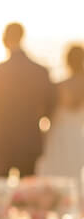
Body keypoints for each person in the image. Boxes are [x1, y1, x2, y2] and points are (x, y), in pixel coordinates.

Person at [0, 22, 55, 177]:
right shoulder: (40, 71)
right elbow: (50, 107)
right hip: (29, 139)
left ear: (5, 38)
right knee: (27, 194)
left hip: (3, 138)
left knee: (1, 191)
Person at [37, 44, 84, 179]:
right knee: (75, 173)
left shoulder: (58, 85)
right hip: (77, 135)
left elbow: (46, 113)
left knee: (55, 173)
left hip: (57, 134)